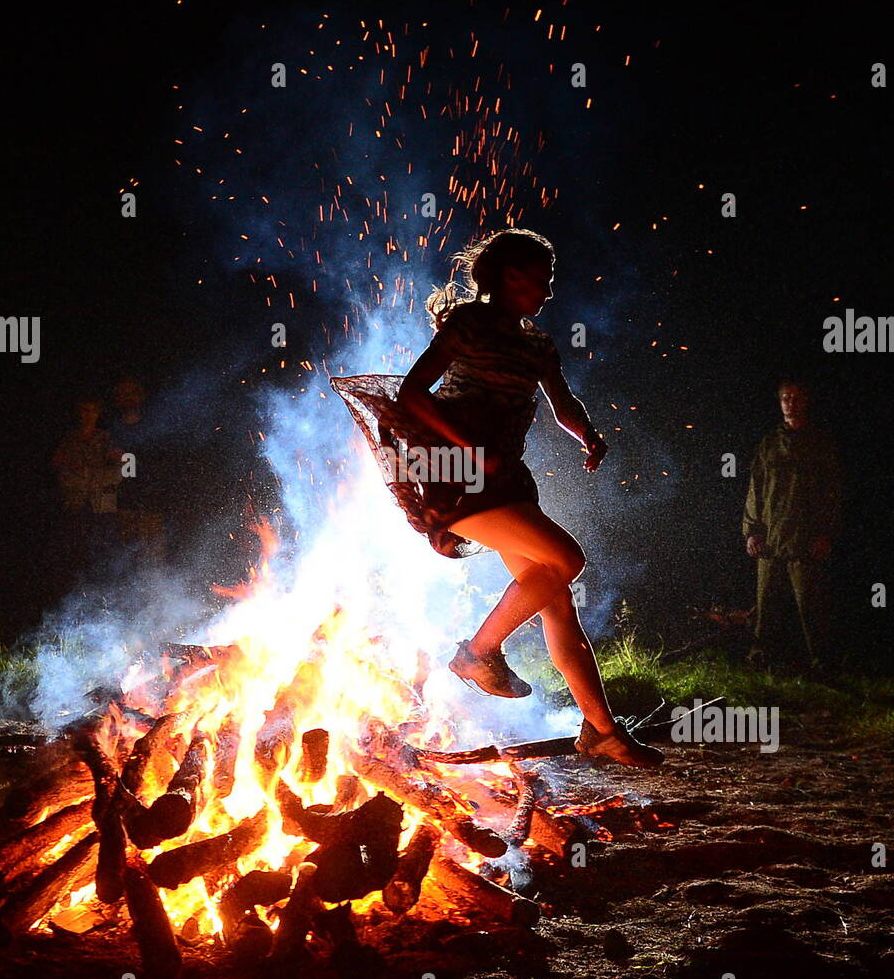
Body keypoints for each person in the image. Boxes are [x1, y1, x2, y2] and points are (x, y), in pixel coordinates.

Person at [332, 228, 662, 767]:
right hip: (453, 469)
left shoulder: (537, 344)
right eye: (534, 279)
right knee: (565, 559)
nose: (545, 291)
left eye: (548, 282)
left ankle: (601, 732)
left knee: (554, 597)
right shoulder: (466, 326)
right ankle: (478, 653)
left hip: (505, 475)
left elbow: (562, 402)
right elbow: (414, 392)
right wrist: (472, 447)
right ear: (503, 277)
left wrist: (588, 433)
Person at [742, 378, 842, 673]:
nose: (790, 403)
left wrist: (825, 534)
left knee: (812, 607)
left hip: (805, 539)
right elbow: (755, 488)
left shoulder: (820, 443)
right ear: (779, 401)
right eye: (785, 397)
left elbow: (832, 492)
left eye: (796, 397)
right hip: (770, 539)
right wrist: (752, 531)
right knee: (766, 606)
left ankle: (823, 664)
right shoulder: (769, 443)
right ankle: (760, 661)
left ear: (806, 401)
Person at [52, 397, 122, 575]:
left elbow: (118, 473)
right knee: (77, 555)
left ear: (98, 412)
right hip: (75, 505)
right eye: (84, 410)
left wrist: (87, 476)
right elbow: (63, 475)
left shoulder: (107, 439)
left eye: (92, 410)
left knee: (105, 554)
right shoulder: (68, 441)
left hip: (103, 506)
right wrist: (91, 477)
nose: (88, 415)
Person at [109, 377, 166, 566]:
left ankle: (156, 591)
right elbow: (121, 468)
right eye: (124, 394)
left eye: (132, 393)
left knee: (154, 556)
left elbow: (159, 459)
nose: (129, 398)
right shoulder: (113, 429)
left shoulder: (152, 425)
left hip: (153, 500)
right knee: (129, 554)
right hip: (125, 502)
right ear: (117, 399)